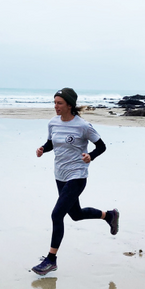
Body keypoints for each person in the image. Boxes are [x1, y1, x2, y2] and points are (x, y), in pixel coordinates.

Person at [32, 88, 120, 276]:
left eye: (59, 103)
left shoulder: (83, 126)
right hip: (60, 175)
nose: (55, 106)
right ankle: (109, 215)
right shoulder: (52, 123)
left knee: (57, 215)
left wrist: (91, 156)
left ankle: (51, 259)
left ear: (69, 105)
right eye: (54, 102)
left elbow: (101, 146)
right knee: (76, 214)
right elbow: (51, 143)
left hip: (77, 175)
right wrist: (42, 148)